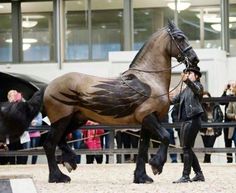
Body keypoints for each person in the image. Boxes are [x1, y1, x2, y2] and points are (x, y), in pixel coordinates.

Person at [170, 66, 205, 183]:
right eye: (187, 73)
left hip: (193, 120)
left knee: (186, 148)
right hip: (185, 121)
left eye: (190, 73)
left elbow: (197, 90)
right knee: (187, 148)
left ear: (197, 76)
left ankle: (186, 176)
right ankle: (199, 174)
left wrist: (186, 81)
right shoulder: (185, 90)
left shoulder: (198, 86)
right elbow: (174, 100)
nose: (188, 75)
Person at [7, 90, 30, 164]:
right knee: (11, 153)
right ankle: (12, 167)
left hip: (21, 134)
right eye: (12, 95)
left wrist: (21, 100)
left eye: (15, 95)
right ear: (9, 97)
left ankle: (22, 166)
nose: (14, 96)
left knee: (22, 154)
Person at [200, 91, 223, 163]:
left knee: (210, 145)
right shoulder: (201, 106)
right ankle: (207, 160)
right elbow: (199, 118)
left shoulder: (215, 105)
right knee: (206, 146)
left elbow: (220, 116)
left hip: (214, 129)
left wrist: (213, 125)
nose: (206, 100)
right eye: (204, 99)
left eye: (207, 98)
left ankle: (206, 160)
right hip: (204, 129)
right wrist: (205, 125)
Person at [220, 81, 236, 163]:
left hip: (233, 122)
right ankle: (229, 160)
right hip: (228, 122)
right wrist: (225, 90)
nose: (232, 86)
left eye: (234, 85)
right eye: (231, 85)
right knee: (228, 143)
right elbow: (221, 102)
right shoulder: (228, 97)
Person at [226, 83, 236, 161]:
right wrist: (234, 116)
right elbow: (228, 113)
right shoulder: (232, 100)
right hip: (235, 126)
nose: (232, 88)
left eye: (233, 87)